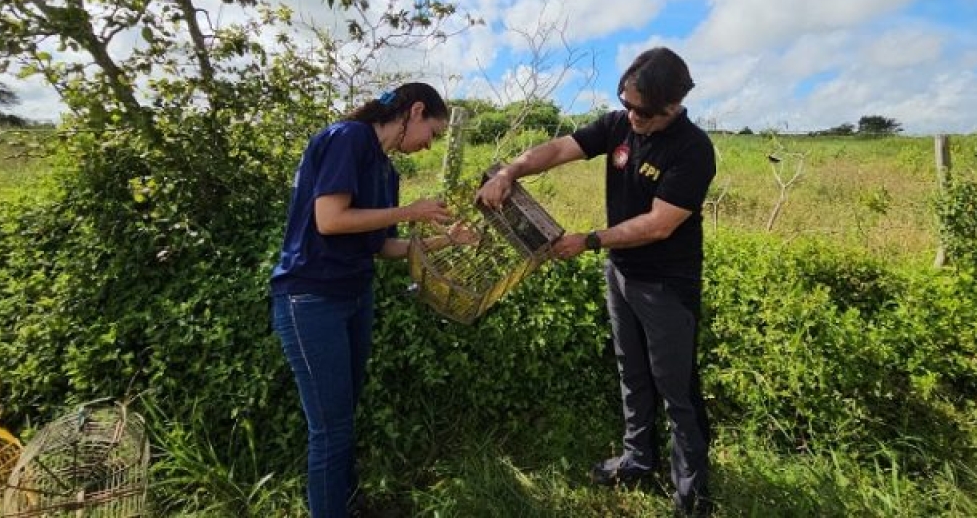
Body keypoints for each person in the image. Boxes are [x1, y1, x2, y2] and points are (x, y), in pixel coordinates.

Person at [476, 47, 716, 516]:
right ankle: (636, 459)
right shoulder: (619, 125)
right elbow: (561, 148)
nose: (632, 116)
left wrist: (589, 240)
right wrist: (511, 170)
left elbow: (660, 224)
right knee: (631, 371)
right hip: (622, 274)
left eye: (643, 111)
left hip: (666, 284)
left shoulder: (693, 149)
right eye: (625, 102)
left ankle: (693, 494)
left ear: (674, 103)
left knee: (676, 387)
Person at [270, 82, 470, 518]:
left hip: (354, 297)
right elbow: (331, 219)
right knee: (330, 428)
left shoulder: (387, 170)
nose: (428, 145)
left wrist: (445, 240)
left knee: (343, 417)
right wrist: (409, 213)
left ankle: (345, 502)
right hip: (311, 299)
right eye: (431, 133)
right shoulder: (348, 138)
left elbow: (383, 246)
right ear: (415, 111)